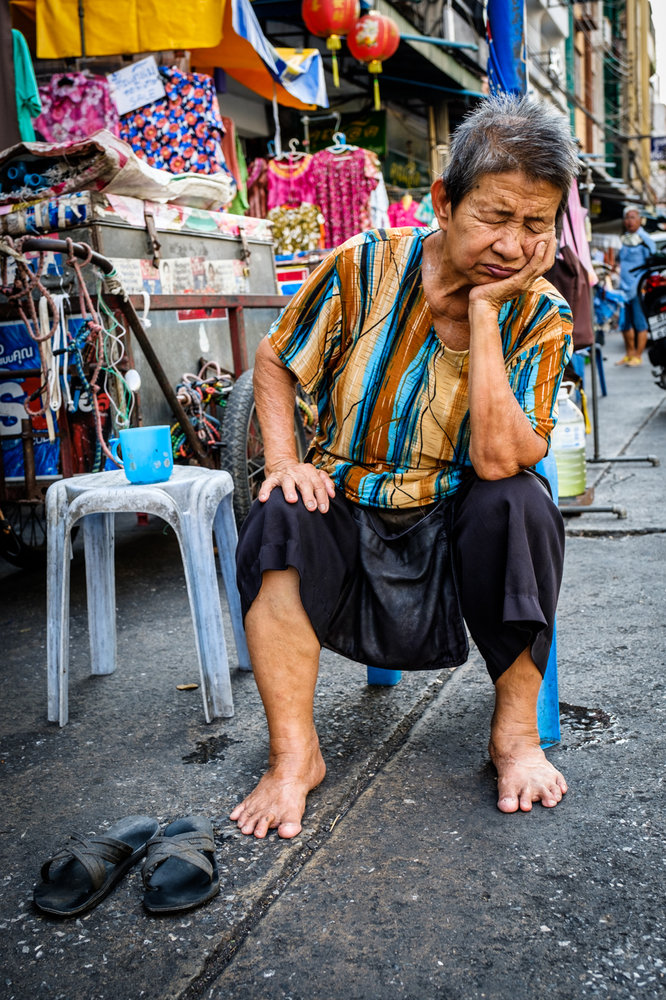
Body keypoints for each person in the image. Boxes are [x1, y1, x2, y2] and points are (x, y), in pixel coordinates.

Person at [230, 94, 579, 840]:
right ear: (444, 202)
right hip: (348, 504)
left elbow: (497, 459)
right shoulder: (361, 267)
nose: (513, 246)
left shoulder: (541, 315)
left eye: (535, 225)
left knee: (519, 503)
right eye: (495, 216)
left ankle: (515, 738)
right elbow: (274, 359)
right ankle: (294, 759)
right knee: (280, 516)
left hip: (453, 518)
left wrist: (487, 314)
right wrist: (285, 460)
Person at [615, 206, 656, 366]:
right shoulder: (624, 239)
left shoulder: (645, 239)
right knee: (625, 323)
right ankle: (629, 353)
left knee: (640, 323)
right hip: (623, 289)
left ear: (640, 220)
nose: (629, 221)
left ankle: (638, 356)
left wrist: (647, 284)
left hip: (638, 288)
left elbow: (652, 264)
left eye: (632, 217)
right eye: (627, 217)